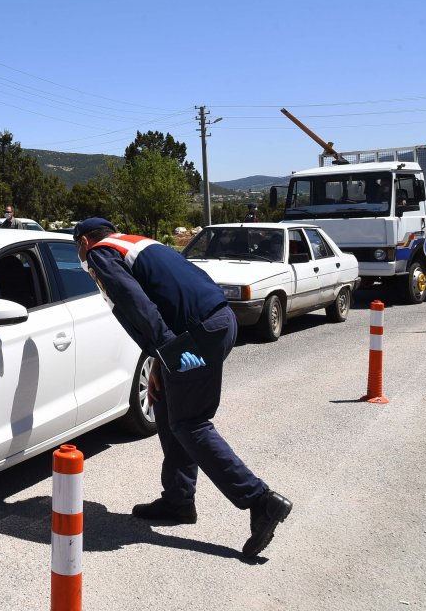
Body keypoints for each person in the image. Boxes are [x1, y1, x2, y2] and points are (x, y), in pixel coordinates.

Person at [73, 217, 292, 559]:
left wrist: (167, 346)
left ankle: (260, 500)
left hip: (197, 333)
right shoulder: (138, 242)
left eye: (78, 250)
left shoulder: (101, 254)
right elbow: (172, 294)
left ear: (84, 242)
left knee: (191, 423)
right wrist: (161, 358)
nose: (81, 258)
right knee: (163, 405)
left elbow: (135, 303)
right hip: (217, 321)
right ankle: (178, 500)